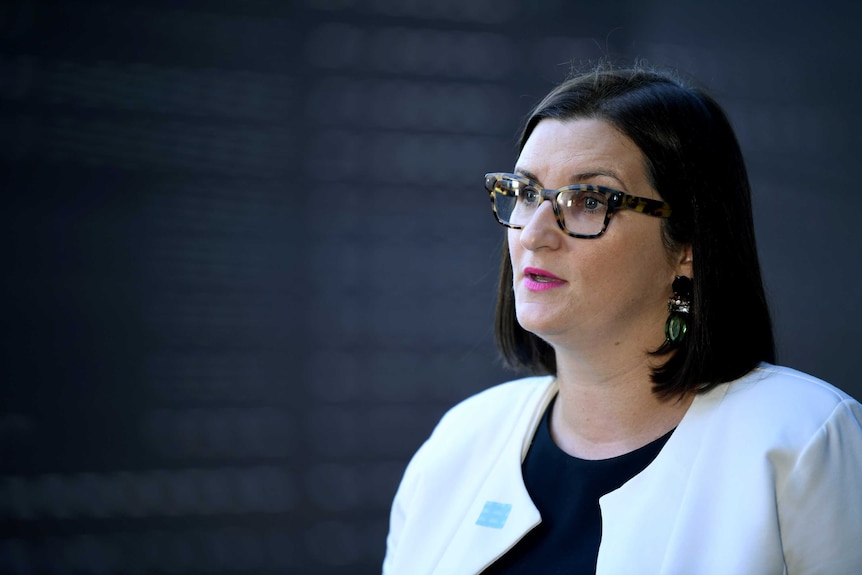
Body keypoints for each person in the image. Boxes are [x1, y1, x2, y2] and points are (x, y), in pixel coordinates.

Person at [382, 64, 862, 574]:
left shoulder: (805, 439)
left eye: (589, 201)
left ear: (688, 246)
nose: (533, 234)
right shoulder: (459, 443)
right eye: (525, 193)